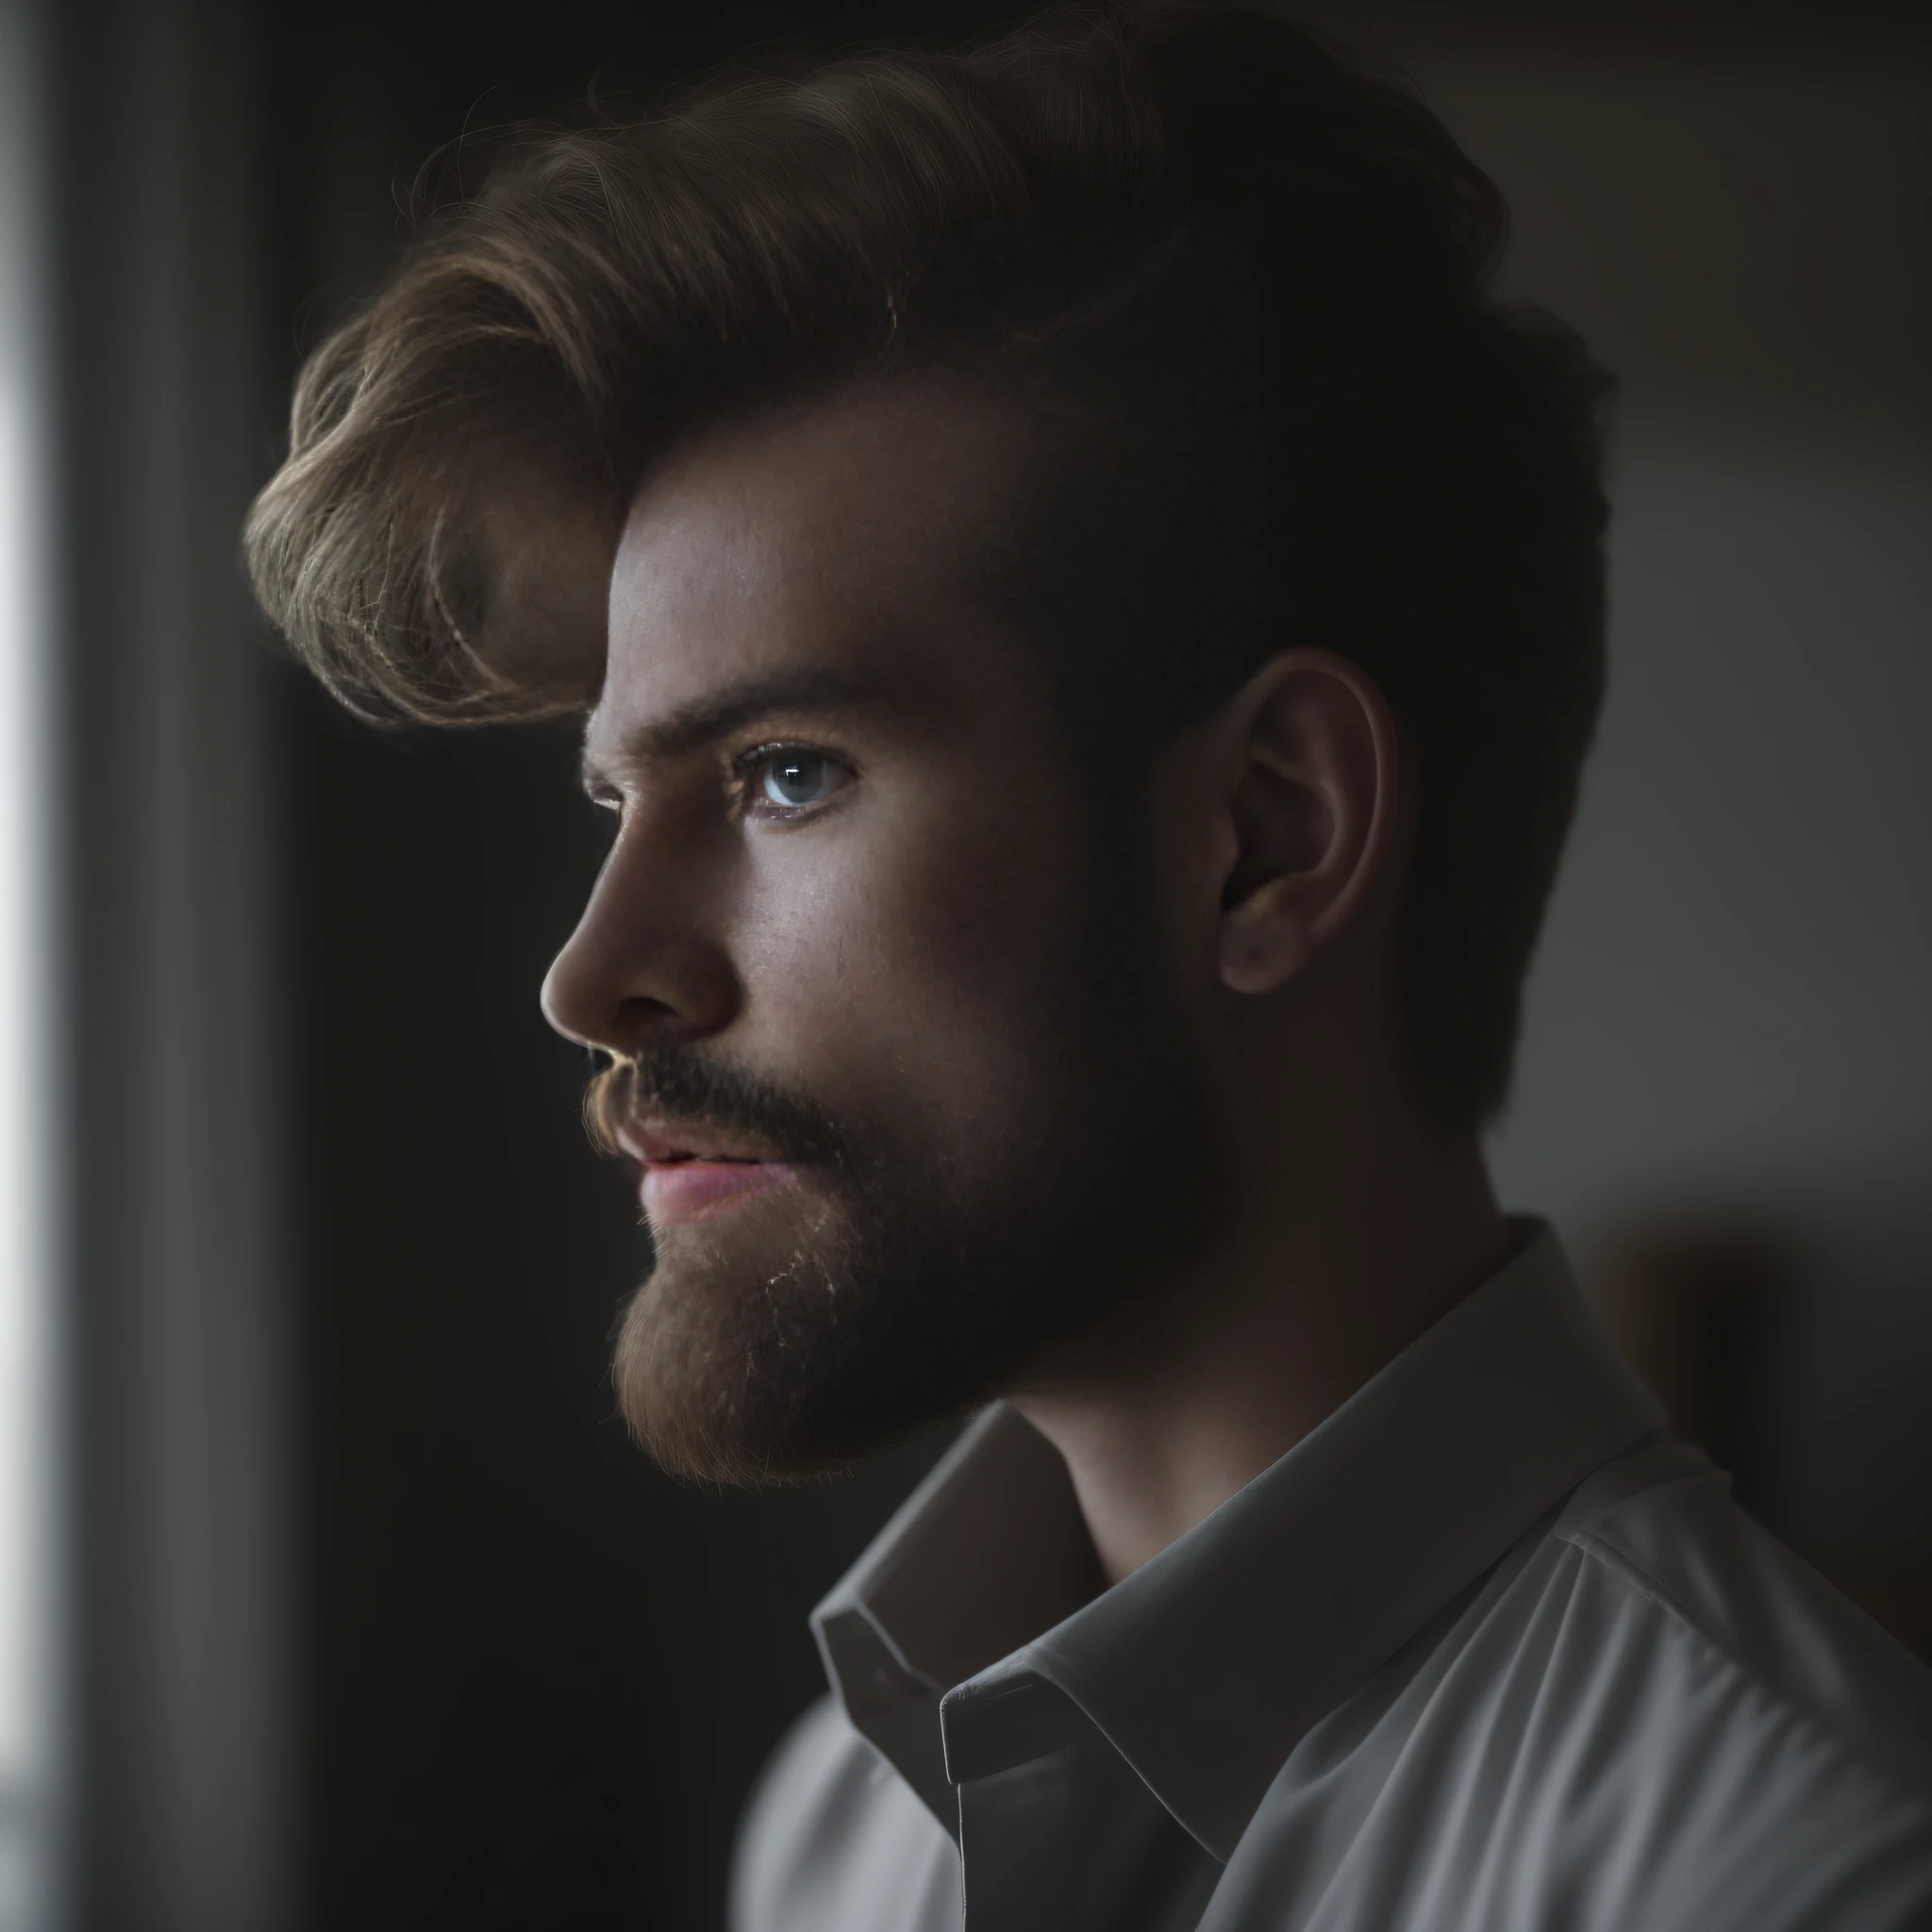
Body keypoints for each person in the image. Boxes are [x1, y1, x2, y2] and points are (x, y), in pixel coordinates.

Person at [244, 6, 1932, 1926]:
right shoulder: (840, 1831)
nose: (592, 973)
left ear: (1266, 837)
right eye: (613, 798)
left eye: (784, 772)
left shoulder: (1809, 1872)